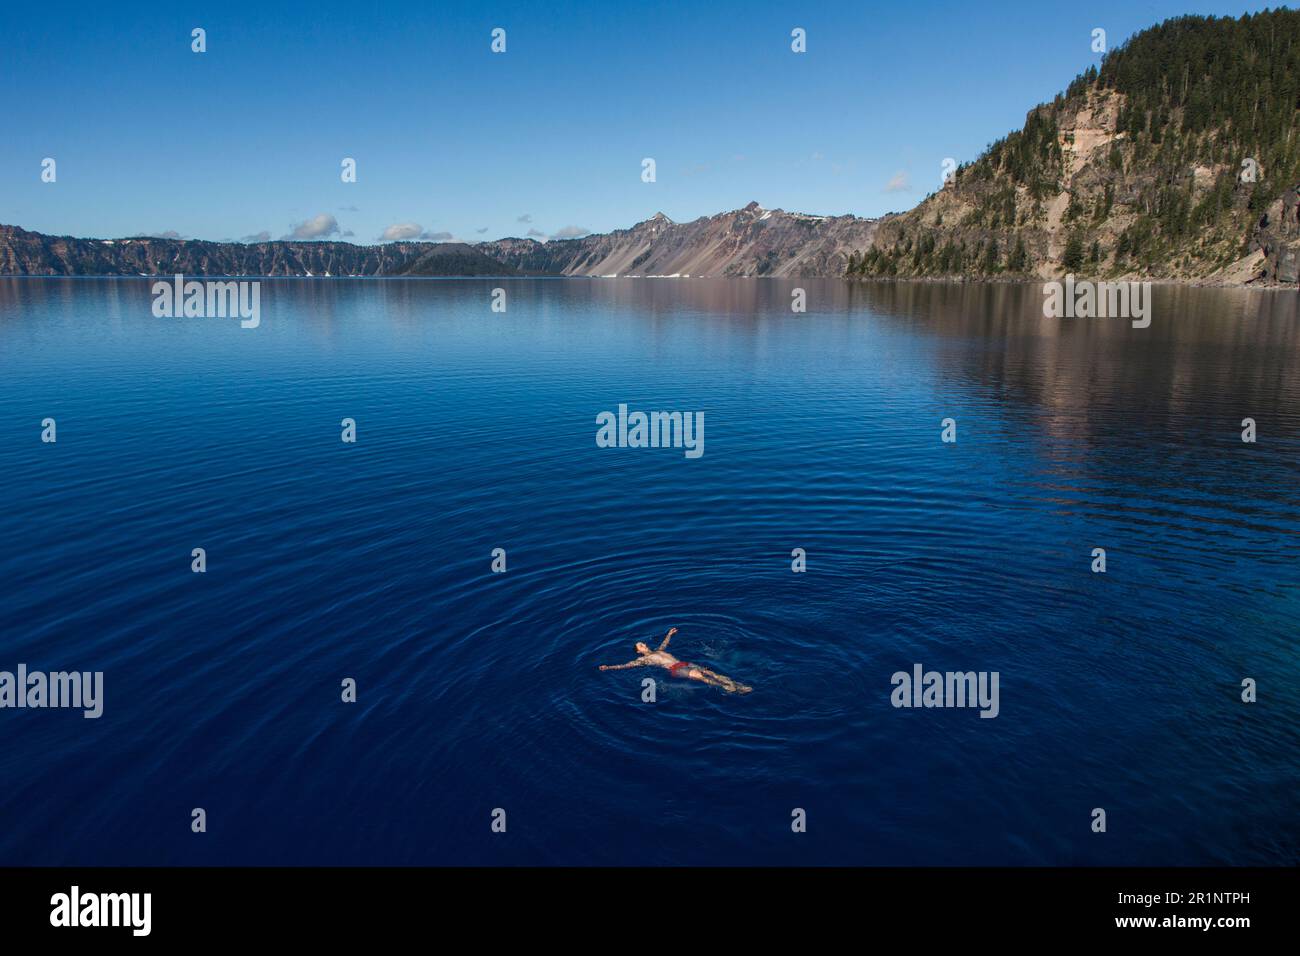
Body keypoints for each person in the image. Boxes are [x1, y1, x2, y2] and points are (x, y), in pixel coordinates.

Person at [598, 627, 752, 694]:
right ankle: (727, 688)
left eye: (643, 643)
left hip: (685, 663)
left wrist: (670, 634)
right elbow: (626, 666)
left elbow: (664, 644)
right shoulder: (643, 660)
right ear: (639, 651)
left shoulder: (658, 651)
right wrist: (609, 667)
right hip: (676, 669)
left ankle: (738, 685)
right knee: (705, 678)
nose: (644, 644)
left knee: (712, 672)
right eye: (641, 645)